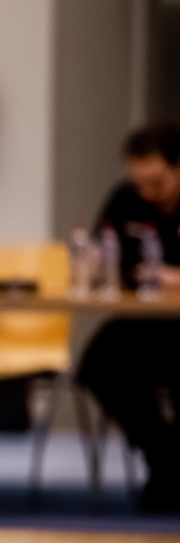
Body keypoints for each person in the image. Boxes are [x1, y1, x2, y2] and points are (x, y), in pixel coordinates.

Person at [78, 121, 180, 513]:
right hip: (143, 322)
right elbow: (102, 253)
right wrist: (94, 264)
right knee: (99, 361)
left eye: (157, 183)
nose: (147, 193)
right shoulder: (126, 199)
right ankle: (163, 454)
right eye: (140, 183)